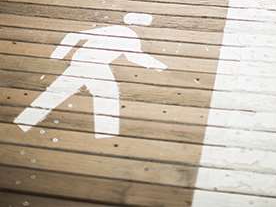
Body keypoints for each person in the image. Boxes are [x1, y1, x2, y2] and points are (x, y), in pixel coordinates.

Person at [14, 13, 167, 138]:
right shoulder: (128, 34)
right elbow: (135, 56)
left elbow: (72, 36)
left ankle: (24, 121)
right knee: (107, 95)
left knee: (58, 92)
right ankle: (106, 134)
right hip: (94, 65)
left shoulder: (118, 30)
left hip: (85, 63)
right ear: (141, 25)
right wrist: (161, 67)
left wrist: (57, 57)